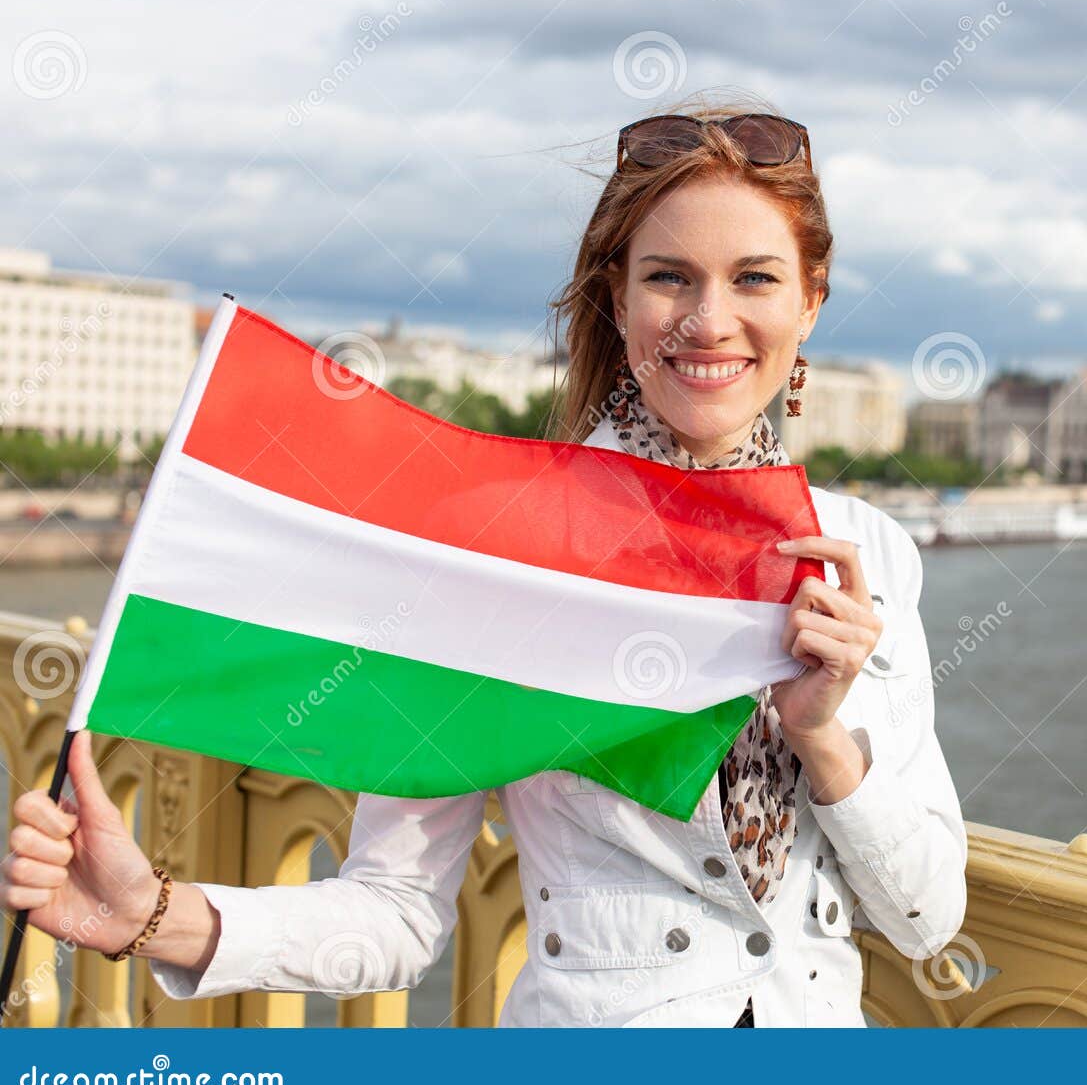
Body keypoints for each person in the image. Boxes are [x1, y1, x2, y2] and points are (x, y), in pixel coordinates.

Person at [1, 93, 968, 1027]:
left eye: (754, 278)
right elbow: (394, 910)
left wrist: (824, 736)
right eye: (669, 276)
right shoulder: (508, 541)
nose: (708, 321)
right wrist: (156, 916)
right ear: (617, 298)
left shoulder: (869, 553)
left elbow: (928, 917)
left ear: (810, 303)